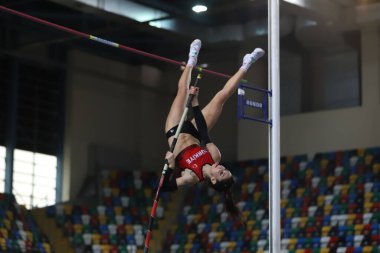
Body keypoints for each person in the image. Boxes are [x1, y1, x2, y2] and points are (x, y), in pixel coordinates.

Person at [161, 39, 265, 217]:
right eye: (226, 169)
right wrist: (195, 103)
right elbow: (203, 133)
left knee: (182, 91)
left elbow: (165, 187)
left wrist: (170, 166)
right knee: (220, 99)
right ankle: (247, 63)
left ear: (214, 179)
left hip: (174, 130)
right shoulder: (215, 156)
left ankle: (191, 59)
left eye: (222, 172)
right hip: (194, 130)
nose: (222, 167)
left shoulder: (191, 177)